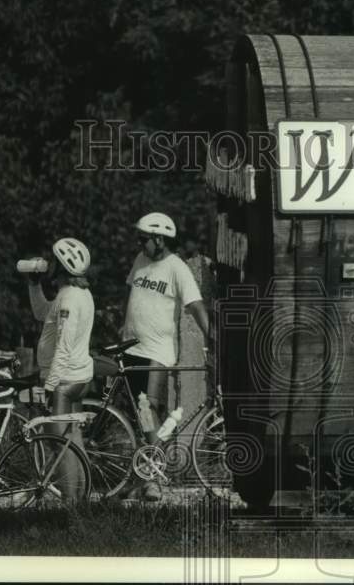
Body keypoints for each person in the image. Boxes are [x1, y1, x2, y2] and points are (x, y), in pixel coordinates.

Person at [120, 212, 211, 500]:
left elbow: (195, 305)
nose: (140, 243)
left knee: (150, 412)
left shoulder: (176, 268)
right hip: (131, 348)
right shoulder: (140, 261)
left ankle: (154, 480)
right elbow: (130, 294)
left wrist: (212, 335)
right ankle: (140, 477)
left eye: (144, 239)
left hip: (157, 352)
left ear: (160, 239)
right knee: (139, 418)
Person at [26, 238, 95, 501]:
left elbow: (63, 349)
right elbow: (42, 313)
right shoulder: (76, 294)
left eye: (53, 261)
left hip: (65, 382)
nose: (48, 265)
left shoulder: (68, 300)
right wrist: (34, 285)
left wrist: (49, 387)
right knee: (72, 441)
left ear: (62, 265)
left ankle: (71, 509)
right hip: (76, 377)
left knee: (59, 444)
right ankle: (81, 501)